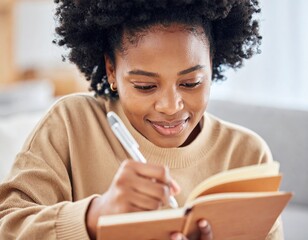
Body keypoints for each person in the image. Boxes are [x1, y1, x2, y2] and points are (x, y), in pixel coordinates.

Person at [0, 0, 283, 239]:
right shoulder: (71, 125)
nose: (171, 107)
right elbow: (8, 225)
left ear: (213, 62)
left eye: (192, 82)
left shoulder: (247, 155)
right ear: (111, 70)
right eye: (145, 86)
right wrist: (94, 216)